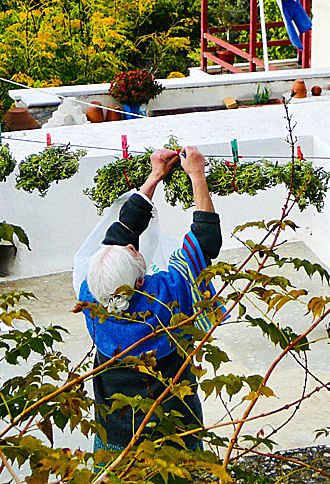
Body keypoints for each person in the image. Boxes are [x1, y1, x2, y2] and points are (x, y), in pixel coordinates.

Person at [78, 146, 222, 453]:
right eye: (131, 251)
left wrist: (155, 176)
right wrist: (197, 175)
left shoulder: (93, 296)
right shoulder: (169, 295)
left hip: (117, 435)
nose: (131, 246)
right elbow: (205, 242)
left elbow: (122, 232)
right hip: (175, 429)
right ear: (139, 281)